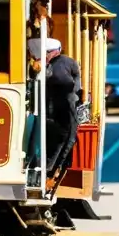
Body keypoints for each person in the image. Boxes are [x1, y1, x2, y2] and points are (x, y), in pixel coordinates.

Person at [26, 37, 82, 183]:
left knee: (63, 137)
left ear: (51, 53)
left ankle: (49, 171)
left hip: (62, 108)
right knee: (63, 138)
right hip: (61, 108)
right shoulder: (64, 62)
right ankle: (50, 170)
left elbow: (64, 85)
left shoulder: (59, 65)